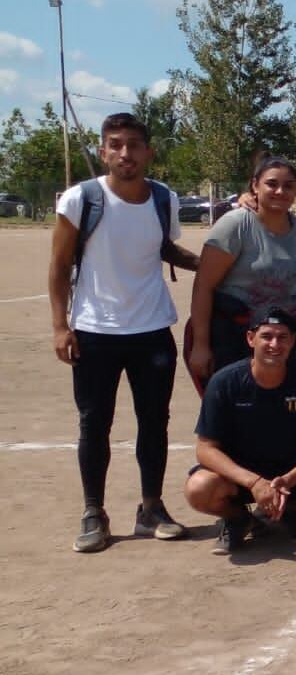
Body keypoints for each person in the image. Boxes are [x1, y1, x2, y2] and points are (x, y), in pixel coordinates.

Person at [47, 112, 200, 553]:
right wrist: (61, 326)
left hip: (152, 329)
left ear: (149, 152)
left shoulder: (163, 199)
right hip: (95, 331)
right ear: (102, 150)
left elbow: (164, 248)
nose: (125, 153)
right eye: (115, 144)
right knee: (94, 424)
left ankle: (151, 508)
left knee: (155, 422)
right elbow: (58, 266)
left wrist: (209, 264)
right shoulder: (82, 198)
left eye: (134, 145)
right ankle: (93, 512)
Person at [184, 310, 296, 555]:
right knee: (198, 489)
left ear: (293, 342)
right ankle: (238, 518)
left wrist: (287, 481)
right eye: (266, 337)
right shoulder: (224, 382)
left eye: (282, 337)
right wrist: (254, 482)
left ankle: (292, 511)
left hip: (290, 476)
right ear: (250, 339)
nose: (274, 344)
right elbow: (205, 449)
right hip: (239, 477)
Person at [189, 156, 296, 387]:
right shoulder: (236, 224)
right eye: (271, 183)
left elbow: (293, 285)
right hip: (232, 339)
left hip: (279, 342)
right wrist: (200, 345)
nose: (280, 191)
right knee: (232, 416)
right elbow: (203, 286)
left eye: (288, 186)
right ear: (255, 185)